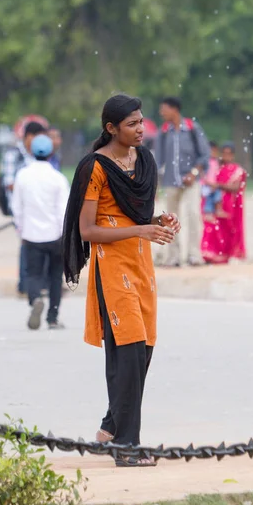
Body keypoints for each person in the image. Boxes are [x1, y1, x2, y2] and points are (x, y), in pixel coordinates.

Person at [63, 94, 180, 467]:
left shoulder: (143, 160)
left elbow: (139, 212)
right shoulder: (94, 168)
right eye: (132, 124)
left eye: (142, 122)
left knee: (143, 349)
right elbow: (87, 230)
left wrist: (160, 223)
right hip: (111, 265)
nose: (141, 129)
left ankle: (112, 425)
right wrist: (142, 229)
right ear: (111, 128)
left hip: (141, 262)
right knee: (126, 349)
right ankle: (127, 447)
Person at [12, 135, 70, 330]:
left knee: (34, 274)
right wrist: (64, 234)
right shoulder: (58, 179)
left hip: (31, 234)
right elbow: (64, 210)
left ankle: (35, 298)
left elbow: (16, 207)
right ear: (51, 152)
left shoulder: (22, 176)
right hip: (55, 235)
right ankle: (52, 317)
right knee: (55, 277)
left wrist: (21, 229)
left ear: (31, 151)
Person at [155, 96, 210, 267]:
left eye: (164, 109)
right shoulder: (163, 132)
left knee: (193, 214)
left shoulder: (193, 129)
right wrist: (155, 185)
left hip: (190, 181)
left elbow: (204, 154)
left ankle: (194, 255)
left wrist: (193, 173)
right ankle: (173, 257)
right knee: (170, 219)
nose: (161, 113)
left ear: (175, 109)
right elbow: (158, 160)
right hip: (170, 181)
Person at [1, 121, 48, 295]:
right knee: (27, 243)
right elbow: (9, 183)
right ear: (29, 137)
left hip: (37, 206)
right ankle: (25, 284)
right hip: (21, 207)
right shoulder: (13, 154)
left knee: (39, 242)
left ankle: (38, 283)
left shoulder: (33, 155)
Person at [201, 142, 247, 264]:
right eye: (224, 153)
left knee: (231, 230)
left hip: (231, 206)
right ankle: (213, 254)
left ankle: (232, 254)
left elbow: (235, 188)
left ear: (233, 155)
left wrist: (218, 186)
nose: (226, 156)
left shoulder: (238, 170)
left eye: (229, 154)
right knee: (214, 228)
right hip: (216, 204)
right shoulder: (217, 168)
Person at [201, 141, 223, 221]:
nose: (213, 153)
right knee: (209, 197)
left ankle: (218, 210)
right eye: (211, 151)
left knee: (218, 193)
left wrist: (215, 184)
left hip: (214, 185)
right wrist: (210, 184)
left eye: (215, 151)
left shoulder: (216, 162)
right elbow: (202, 175)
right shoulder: (205, 162)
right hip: (206, 185)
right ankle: (208, 213)